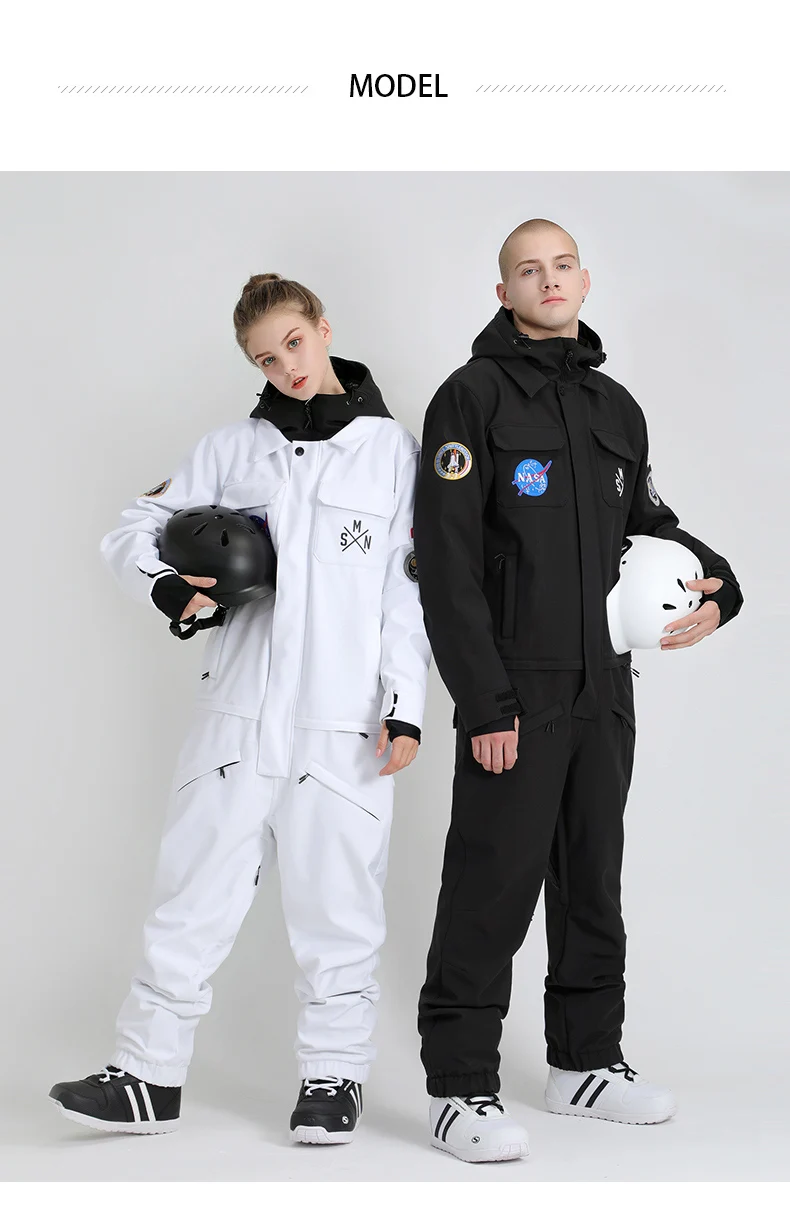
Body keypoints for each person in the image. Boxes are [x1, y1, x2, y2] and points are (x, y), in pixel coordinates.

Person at [49, 274, 431, 1145]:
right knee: (191, 893)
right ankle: (147, 1074)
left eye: (294, 343)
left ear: (323, 328)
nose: (285, 366)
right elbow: (131, 528)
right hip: (236, 715)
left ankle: (333, 1077)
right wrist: (165, 589)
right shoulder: (231, 449)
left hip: (342, 722)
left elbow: (407, 593)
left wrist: (405, 705)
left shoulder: (392, 453)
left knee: (339, 905)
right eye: (265, 358)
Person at [413, 220, 743, 1163]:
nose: (548, 280)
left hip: (605, 685)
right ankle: (459, 1086)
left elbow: (649, 523)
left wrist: (723, 584)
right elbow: (446, 563)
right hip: (516, 687)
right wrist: (485, 703)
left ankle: (586, 1061)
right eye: (529, 269)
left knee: (592, 875)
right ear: (504, 290)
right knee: (492, 880)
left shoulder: (614, 407)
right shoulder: (471, 397)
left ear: (585, 281)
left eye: (562, 266)